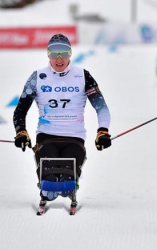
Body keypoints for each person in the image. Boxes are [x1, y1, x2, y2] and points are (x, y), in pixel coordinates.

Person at [13, 34, 112, 214]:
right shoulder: (37, 77)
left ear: (70, 54)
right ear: (48, 54)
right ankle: (46, 192)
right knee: (50, 186)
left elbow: (101, 107)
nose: (59, 59)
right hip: (46, 136)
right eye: (54, 53)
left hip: (74, 136)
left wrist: (102, 131)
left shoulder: (82, 75)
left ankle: (67, 189)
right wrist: (21, 132)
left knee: (67, 185)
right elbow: (20, 110)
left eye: (64, 53)